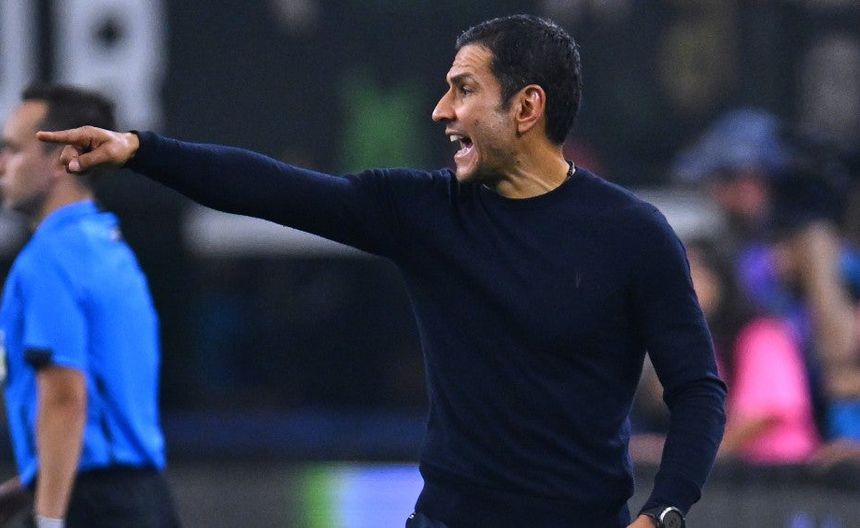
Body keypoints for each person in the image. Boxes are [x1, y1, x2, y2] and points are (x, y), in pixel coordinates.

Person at [38, 15, 726, 528]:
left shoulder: (633, 235)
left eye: (463, 89)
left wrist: (663, 512)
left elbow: (697, 390)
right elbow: (273, 189)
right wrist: (141, 150)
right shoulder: (424, 212)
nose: (441, 110)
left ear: (526, 107)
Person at [0, 85, 181, 528]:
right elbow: (104, 413)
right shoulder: (108, 248)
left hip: (93, 506)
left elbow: (65, 397)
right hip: (145, 499)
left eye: (13, 150)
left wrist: (48, 518)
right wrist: (29, 488)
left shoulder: (50, 258)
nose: (2, 164)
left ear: (59, 161)